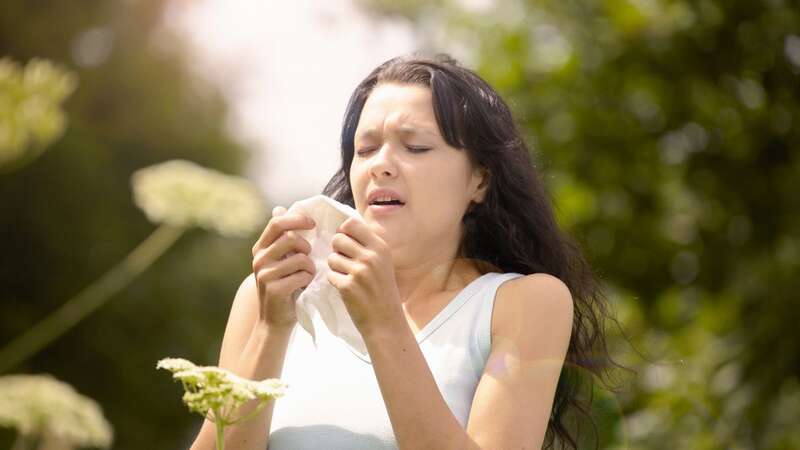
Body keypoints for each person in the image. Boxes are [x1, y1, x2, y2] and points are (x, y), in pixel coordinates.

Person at [190, 53, 615, 450]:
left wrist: (383, 324)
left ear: (480, 182)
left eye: (416, 147)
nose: (381, 165)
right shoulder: (268, 296)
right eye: (366, 149)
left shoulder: (523, 303)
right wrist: (271, 327)